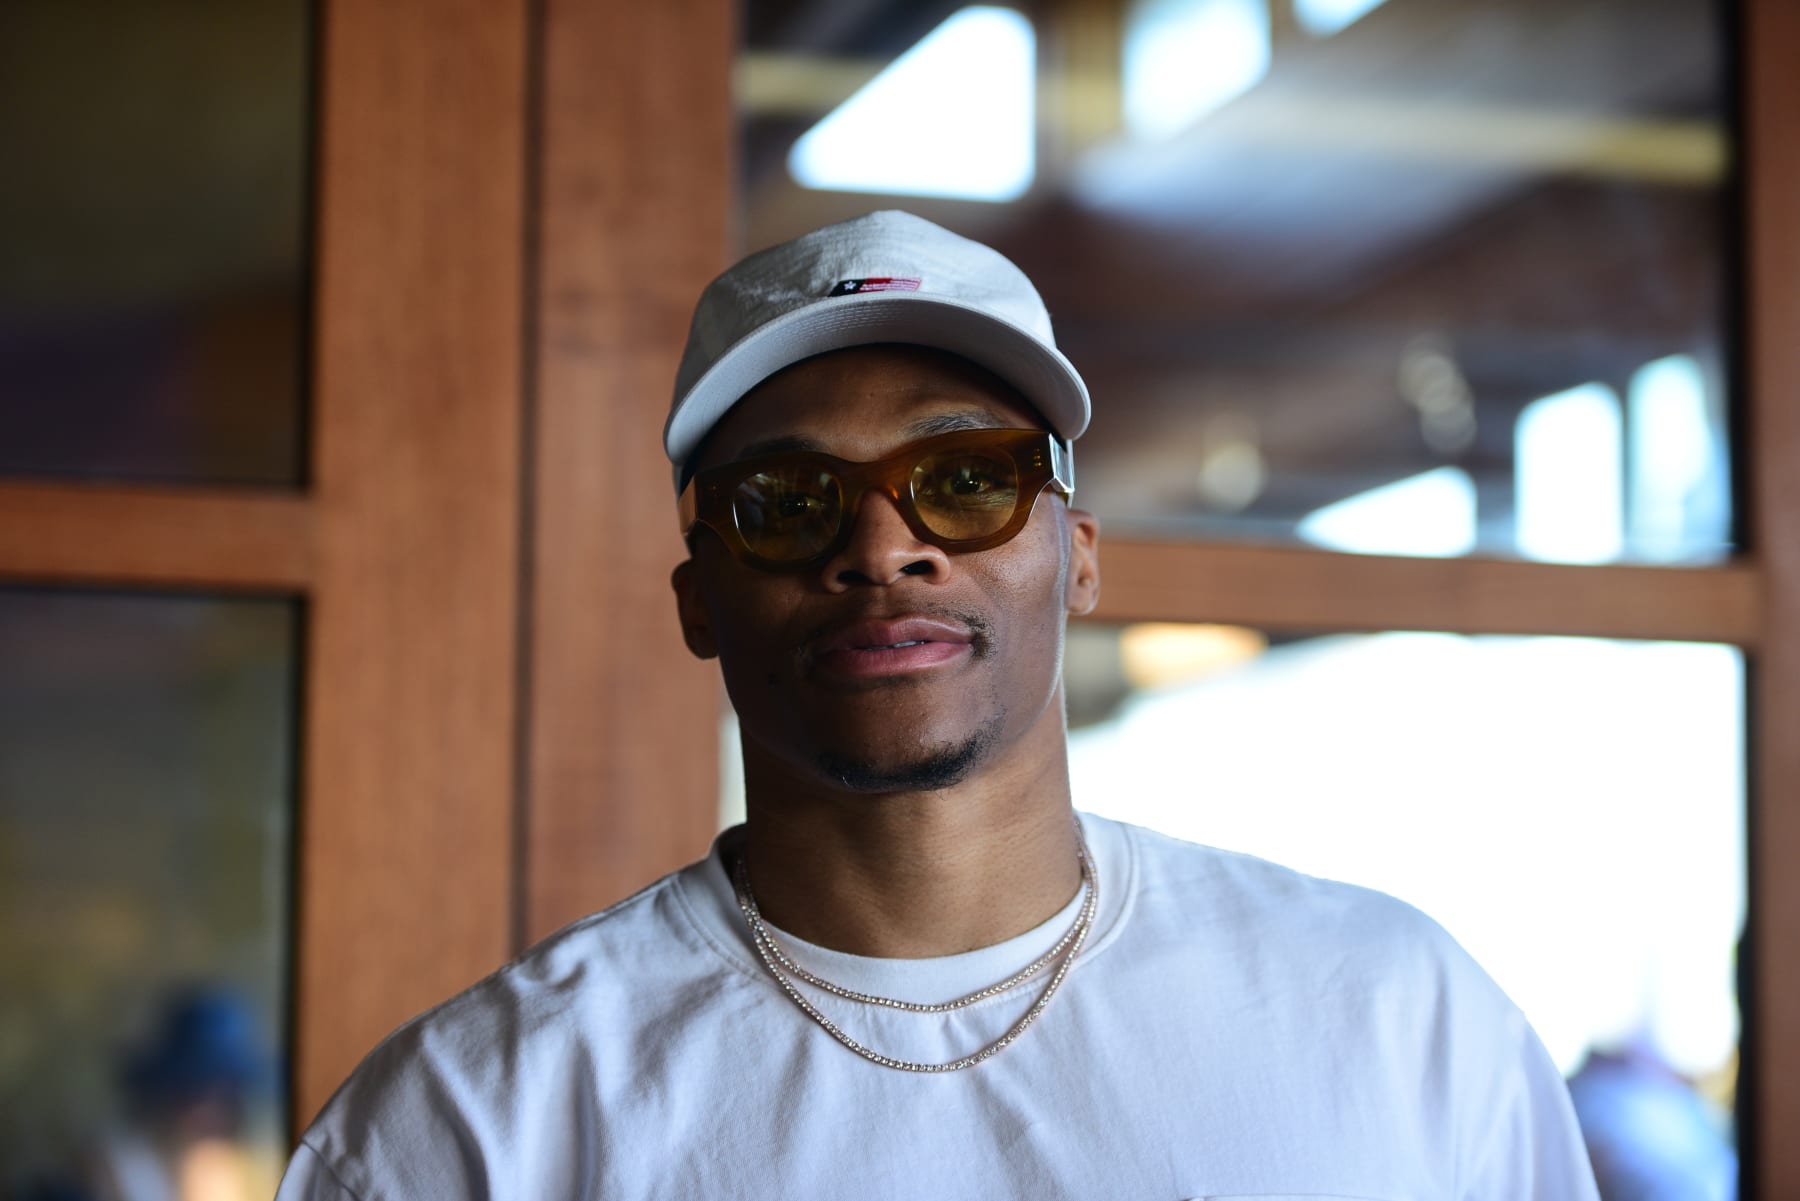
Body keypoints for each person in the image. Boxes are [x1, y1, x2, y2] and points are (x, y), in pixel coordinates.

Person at [275, 210, 1600, 1199]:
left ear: (1076, 552)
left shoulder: (1392, 1015)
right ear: (698, 602)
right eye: (786, 502)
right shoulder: (472, 1123)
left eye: (966, 477)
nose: (883, 545)